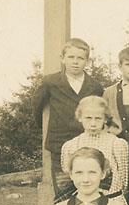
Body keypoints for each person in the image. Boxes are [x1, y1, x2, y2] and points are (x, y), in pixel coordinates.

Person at [33, 38, 103, 193]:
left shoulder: (95, 87)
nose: (75, 62)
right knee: (63, 192)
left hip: (88, 144)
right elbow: (37, 109)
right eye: (71, 57)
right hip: (60, 145)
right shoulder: (51, 82)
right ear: (63, 59)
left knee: (88, 189)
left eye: (80, 58)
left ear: (87, 61)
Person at [59, 96, 129, 201]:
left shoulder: (117, 145)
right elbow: (69, 181)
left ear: (105, 119)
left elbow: (124, 180)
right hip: (81, 202)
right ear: (80, 117)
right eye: (88, 118)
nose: (93, 124)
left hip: (111, 200)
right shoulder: (70, 146)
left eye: (98, 118)